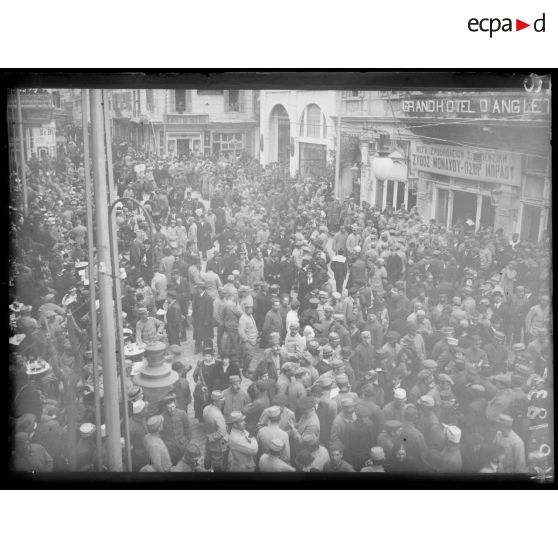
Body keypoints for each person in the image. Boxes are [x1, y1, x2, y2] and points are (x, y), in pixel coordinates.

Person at [203, 390, 229, 472]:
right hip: (218, 444)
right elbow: (222, 433)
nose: (223, 401)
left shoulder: (206, 408)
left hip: (208, 440)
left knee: (208, 456)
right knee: (218, 462)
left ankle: (206, 469)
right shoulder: (218, 415)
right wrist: (211, 437)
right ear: (214, 401)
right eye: (221, 400)